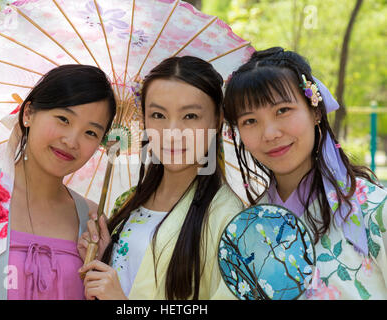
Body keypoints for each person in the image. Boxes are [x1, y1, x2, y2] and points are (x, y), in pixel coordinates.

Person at [0, 64, 116, 299]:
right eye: (63, 119)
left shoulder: (91, 220)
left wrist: (98, 265)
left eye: (91, 133)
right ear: (28, 113)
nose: (72, 141)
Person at [223, 47, 387, 299]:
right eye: (250, 121)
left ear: (316, 111)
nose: (270, 133)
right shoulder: (249, 227)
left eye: (282, 111)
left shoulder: (376, 211)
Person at [77, 56, 244, 300]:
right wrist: (105, 255)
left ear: (218, 120)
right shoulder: (129, 201)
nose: (172, 133)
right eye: (158, 115)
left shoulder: (229, 219)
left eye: (190, 116)